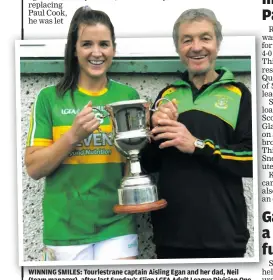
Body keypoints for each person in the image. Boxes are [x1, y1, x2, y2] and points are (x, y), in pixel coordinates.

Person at [25, 6, 139, 261]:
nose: (96, 52)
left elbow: (134, 162)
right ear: (74, 50)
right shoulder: (49, 99)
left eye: (104, 44)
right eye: (87, 44)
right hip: (64, 230)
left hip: (117, 225)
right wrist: (72, 136)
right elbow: (33, 168)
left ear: (114, 49)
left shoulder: (128, 97)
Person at [140, 8, 253, 259]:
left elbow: (253, 160)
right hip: (171, 235)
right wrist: (150, 134)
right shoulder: (167, 96)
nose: (196, 47)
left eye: (205, 38)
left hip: (224, 237)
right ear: (179, 49)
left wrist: (197, 145)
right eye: (187, 39)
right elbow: (150, 164)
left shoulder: (239, 94)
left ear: (218, 44)